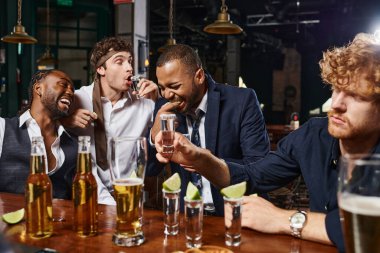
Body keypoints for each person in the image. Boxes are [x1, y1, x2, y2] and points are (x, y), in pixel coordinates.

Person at [153, 33, 380, 252]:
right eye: (336, 89)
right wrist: (200, 159)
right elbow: (253, 176)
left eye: (357, 96)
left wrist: (283, 219)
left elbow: (370, 231)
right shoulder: (313, 135)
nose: (336, 104)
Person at [147, 44, 270, 216]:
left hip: (237, 213)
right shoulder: (164, 108)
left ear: (199, 76)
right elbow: (150, 170)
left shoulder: (242, 101)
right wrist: (154, 135)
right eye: (162, 88)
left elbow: (260, 168)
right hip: (187, 216)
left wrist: (205, 162)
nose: (167, 95)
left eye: (174, 86)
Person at [61, 37, 158, 205]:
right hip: (87, 196)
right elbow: (41, 124)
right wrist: (64, 121)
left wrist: (160, 101)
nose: (129, 68)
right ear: (100, 69)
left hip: (130, 195)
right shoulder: (77, 99)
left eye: (130, 61)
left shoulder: (145, 104)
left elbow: (173, 127)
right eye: (119, 62)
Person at [0, 70, 77, 199]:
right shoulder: (3, 128)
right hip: (11, 218)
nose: (70, 92)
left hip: (61, 218)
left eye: (72, 90)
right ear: (38, 89)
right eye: (63, 85)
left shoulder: (74, 142)